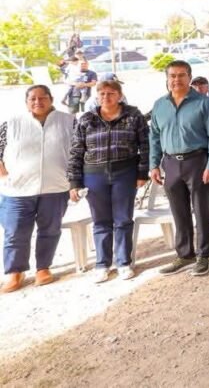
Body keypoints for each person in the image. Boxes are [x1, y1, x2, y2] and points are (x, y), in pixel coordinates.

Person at [67, 79, 149, 282]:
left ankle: (123, 262)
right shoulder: (87, 118)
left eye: (111, 93)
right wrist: (74, 182)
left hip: (125, 172)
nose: (106, 97)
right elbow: (76, 151)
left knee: (123, 219)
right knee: (101, 220)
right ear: (97, 96)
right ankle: (102, 263)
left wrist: (142, 173)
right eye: (102, 93)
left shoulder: (133, 115)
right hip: (94, 175)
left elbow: (145, 146)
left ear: (119, 95)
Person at [149, 60, 209, 276]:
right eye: (172, 76)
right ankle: (184, 254)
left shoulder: (204, 103)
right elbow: (154, 136)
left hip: (198, 161)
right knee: (178, 211)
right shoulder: (160, 105)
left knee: (201, 210)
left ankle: (203, 255)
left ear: (189, 78)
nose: (176, 79)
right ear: (167, 79)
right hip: (170, 163)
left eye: (181, 75)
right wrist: (154, 164)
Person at [0, 86, 74, 292]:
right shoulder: (12, 123)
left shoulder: (68, 121)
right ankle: (15, 272)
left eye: (43, 97)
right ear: (26, 102)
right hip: (17, 190)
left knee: (50, 230)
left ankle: (43, 268)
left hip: (56, 186)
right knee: (14, 231)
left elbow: (79, 150)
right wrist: (4, 175)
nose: (38, 101)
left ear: (51, 99)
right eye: (32, 98)